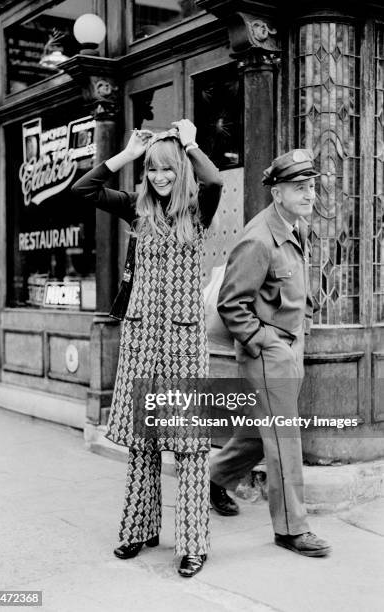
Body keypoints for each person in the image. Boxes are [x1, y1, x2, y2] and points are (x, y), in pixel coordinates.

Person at [71, 119, 222, 576]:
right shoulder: (135, 209)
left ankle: (193, 544)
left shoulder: (198, 210)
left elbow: (214, 179)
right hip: (141, 341)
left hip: (182, 342)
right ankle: (140, 528)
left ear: (179, 172)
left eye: (166, 170)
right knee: (142, 442)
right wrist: (128, 154)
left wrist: (192, 144)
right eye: (152, 170)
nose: (158, 178)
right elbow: (83, 190)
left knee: (190, 446)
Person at [210, 149, 332, 557]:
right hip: (269, 351)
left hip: (289, 346)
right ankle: (291, 529)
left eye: (311, 186)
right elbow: (231, 304)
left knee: (264, 430)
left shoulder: (293, 226)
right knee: (285, 438)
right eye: (299, 188)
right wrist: (266, 343)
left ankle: (215, 477)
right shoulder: (258, 237)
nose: (309, 194)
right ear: (276, 193)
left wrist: (305, 328)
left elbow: (300, 288)